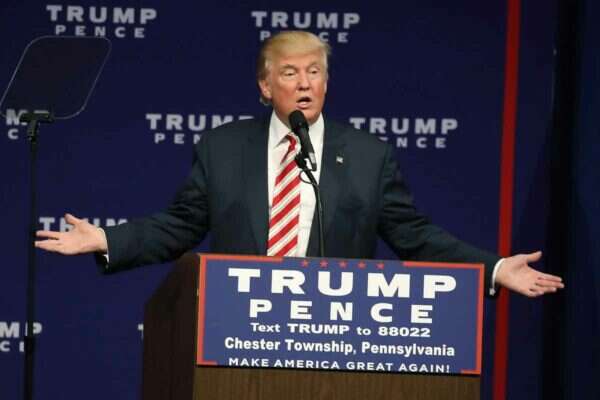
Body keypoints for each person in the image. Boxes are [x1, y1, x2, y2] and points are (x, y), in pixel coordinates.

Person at [35, 30, 563, 298]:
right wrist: (108, 239)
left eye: (315, 72)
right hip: (240, 331)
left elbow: (415, 237)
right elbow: (180, 227)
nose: (305, 83)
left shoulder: (368, 156)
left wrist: (495, 268)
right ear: (266, 86)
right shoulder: (223, 148)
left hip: (335, 336)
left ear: (327, 82)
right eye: (290, 73)